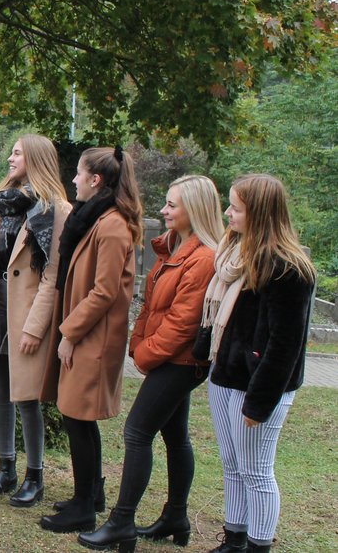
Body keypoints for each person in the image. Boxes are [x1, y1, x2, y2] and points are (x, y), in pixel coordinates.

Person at [78, 175, 222, 550]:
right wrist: (140, 342)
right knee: (176, 436)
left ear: (195, 209)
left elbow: (182, 323)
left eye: (172, 205)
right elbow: (152, 306)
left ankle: (122, 522)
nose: (163, 210)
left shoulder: (203, 258)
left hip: (180, 361)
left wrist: (144, 353)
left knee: (137, 432)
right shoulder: (175, 247)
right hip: (168, 358)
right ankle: (176, 516)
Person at [202, 174, 314, 553]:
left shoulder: (287, 269)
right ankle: (234, 540)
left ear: (260, 213)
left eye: (235, 207)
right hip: (225, 376)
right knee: (232, 465)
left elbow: (285, 345)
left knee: (256, 471)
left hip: (257, 386)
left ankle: (257, 545)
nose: (227, 213)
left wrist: (259, 402)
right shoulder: (235, 254)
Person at [40, 146, 142, 534]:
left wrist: (69, 332)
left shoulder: (112, 226)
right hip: (88, 334)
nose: (73, 180)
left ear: (95, 180)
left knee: (77, 417)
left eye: (79, 173)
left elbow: (104, 292)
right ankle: (90, 494)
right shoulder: (98, 219)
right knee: (78, 416)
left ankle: (84, 506)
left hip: (93, 339)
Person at [0, 134, 70, 507]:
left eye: (17, 153)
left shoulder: (56, 209)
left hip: (26, 311)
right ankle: (6, 468)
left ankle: (34, 476)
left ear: (36, 159)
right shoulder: (2, 203)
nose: (10, 158)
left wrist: (35, 327)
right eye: (11, 152)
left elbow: (53, 275)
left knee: (26, 396)